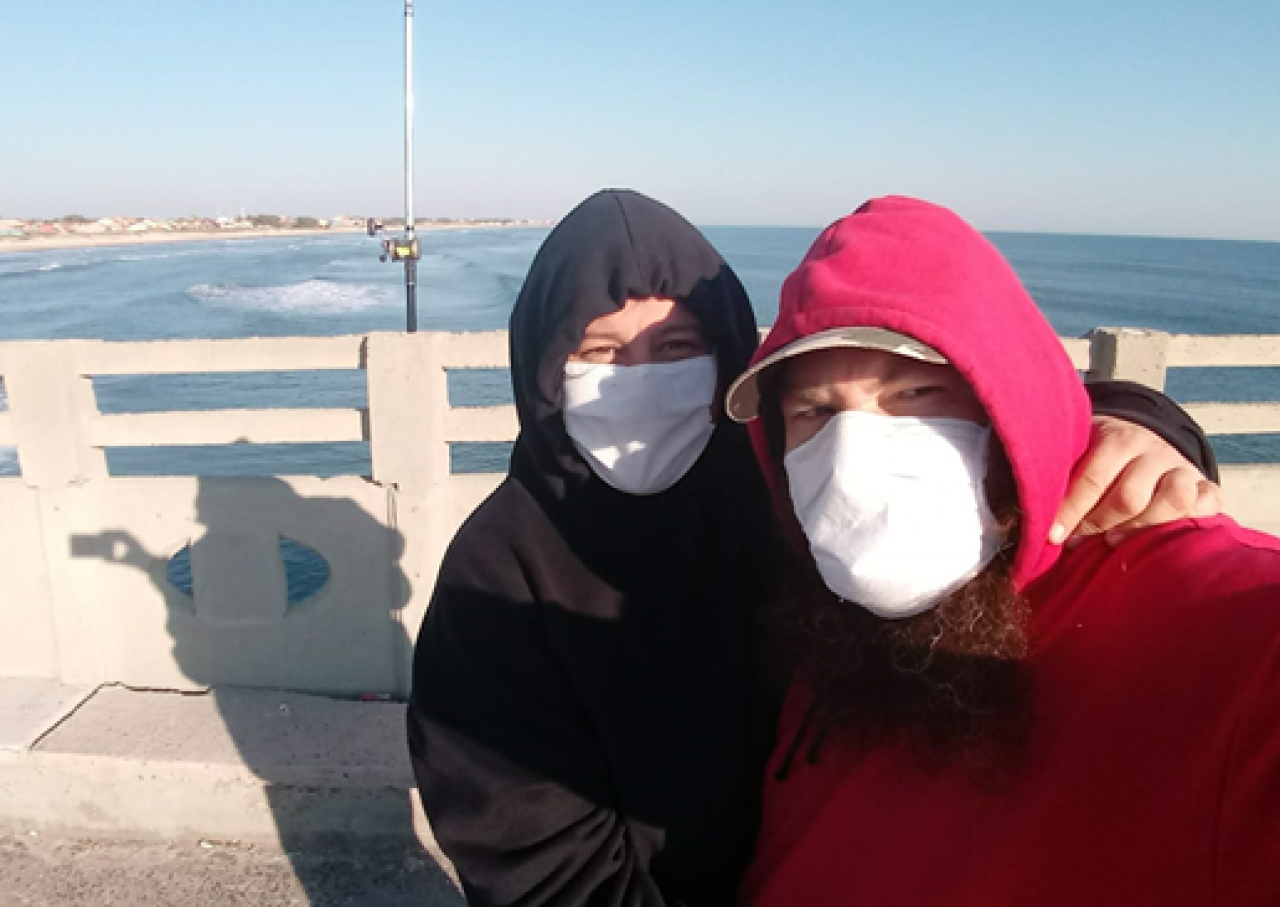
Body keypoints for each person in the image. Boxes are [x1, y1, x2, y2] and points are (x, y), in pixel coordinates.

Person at [407, 190, 1222, 907]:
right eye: (600, 352)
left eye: (677, 347)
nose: (640, 379)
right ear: (544, 368)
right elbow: (536, 860)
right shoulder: (498, 570)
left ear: (729, 354)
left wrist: (1142, 427)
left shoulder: (798, 482)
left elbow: (1004, 409)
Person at [728, 196, 1280, 906]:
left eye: (917, 393)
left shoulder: (1213, 629)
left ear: (1009, 405)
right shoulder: (810, 613)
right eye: (815, 411)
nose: (853, 455)